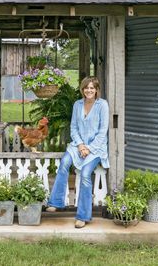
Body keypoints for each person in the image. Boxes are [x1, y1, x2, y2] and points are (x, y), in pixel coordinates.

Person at [46, 76, 109, 228]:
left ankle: (83, 216)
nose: (89, 90)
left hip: (96, 149)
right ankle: (56, 202)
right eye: (86, 87)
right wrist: (81, 145)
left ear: (96, 90)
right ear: (82, 89)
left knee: (86, 174)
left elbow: (102, 132)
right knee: (64, 164)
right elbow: (73, 127)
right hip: (77, 145)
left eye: (92, 88)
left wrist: (89, 148)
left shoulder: (102, 105)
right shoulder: (77, 104)